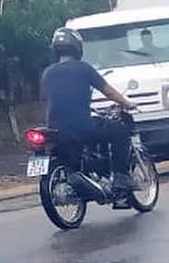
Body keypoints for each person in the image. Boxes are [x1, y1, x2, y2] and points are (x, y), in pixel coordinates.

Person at [40, 27, 137, 197]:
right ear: (77, 47)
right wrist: (126, 103)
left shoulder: (47, 73)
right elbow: (108, 91)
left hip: (56, 130)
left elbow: (48, 101)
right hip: (82, 126)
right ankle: (121, 178)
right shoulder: (84, 68)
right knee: (119, 130)